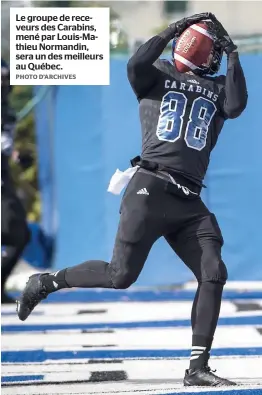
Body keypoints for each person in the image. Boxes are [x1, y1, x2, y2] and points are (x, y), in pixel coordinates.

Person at [17, 13, 247, 386]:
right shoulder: (156, 73)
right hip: (151, 188)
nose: (218, 57)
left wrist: (235, 54)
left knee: (212, 270)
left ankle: (197, 368)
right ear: (199, 52)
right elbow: (136, 62)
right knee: (119, 276)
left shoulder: (218, 88)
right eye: (216, 51)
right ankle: (46, 282)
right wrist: (175, 28)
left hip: (189, 198)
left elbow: (236, 106)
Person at [1, 59, 31, 304]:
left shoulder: (6, 110)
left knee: (17, 234)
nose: (3, 84)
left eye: (5, 79)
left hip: (4, 177)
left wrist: (15, 155)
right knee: (14, 233)